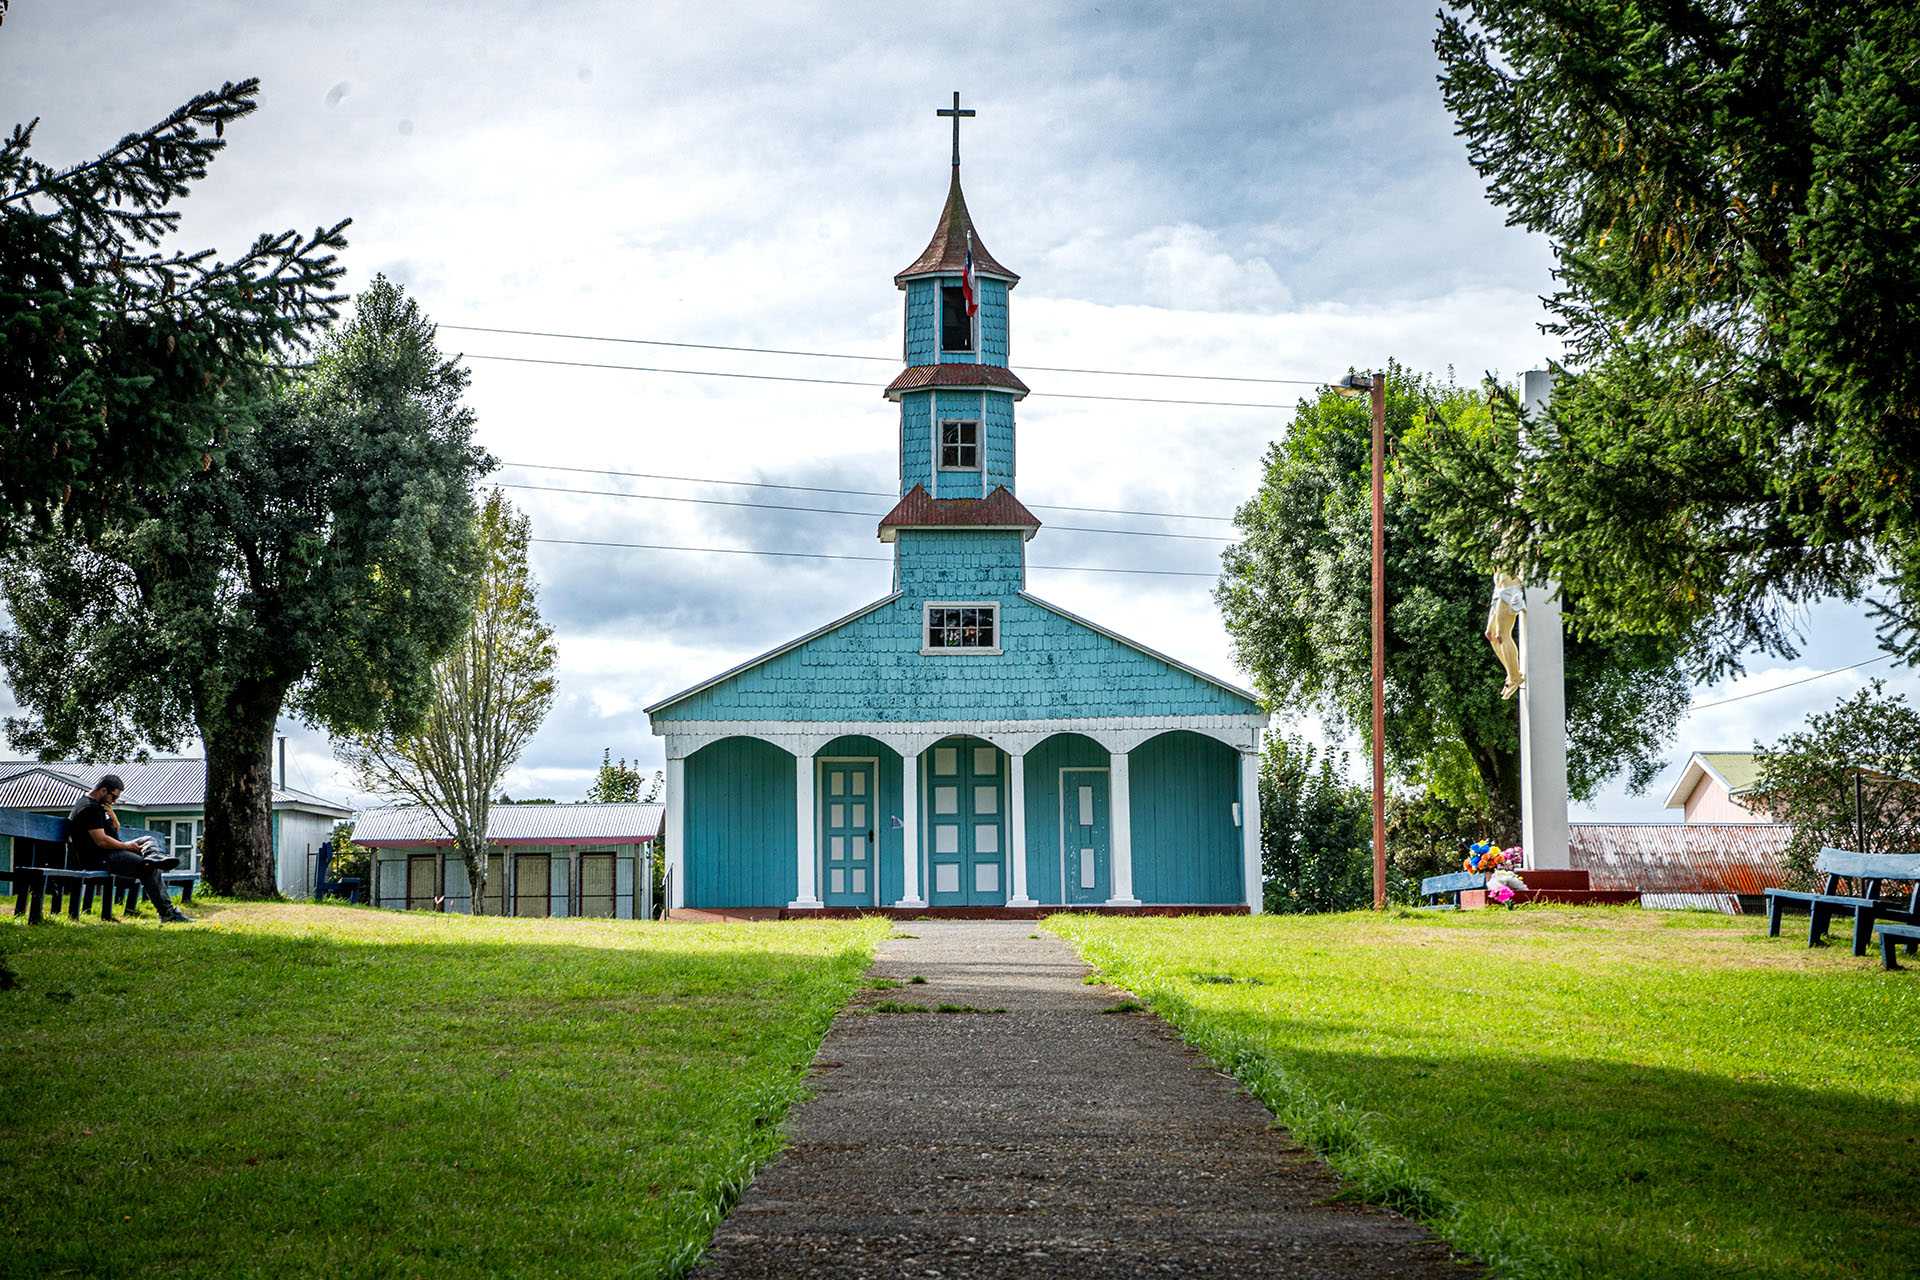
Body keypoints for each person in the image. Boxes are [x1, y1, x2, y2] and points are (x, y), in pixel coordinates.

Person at [67, 774, 195, 923]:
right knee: (147, 867)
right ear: (103, 790)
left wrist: (114, 819)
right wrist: (127, 846)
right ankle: (168, 913)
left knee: (148, 840)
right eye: (113, 797)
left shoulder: (99, 806)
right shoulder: (88, 808)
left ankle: (154, 856)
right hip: (99, 858)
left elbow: (113, 832)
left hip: (111, 852)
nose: (114, 801)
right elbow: (101, 841)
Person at [1484, 571, 1526, 700]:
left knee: (1501, 635)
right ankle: (1512, 673)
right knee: (1490, 634)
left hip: (1509, 588)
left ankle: (1514, 677)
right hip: (1498, 590)